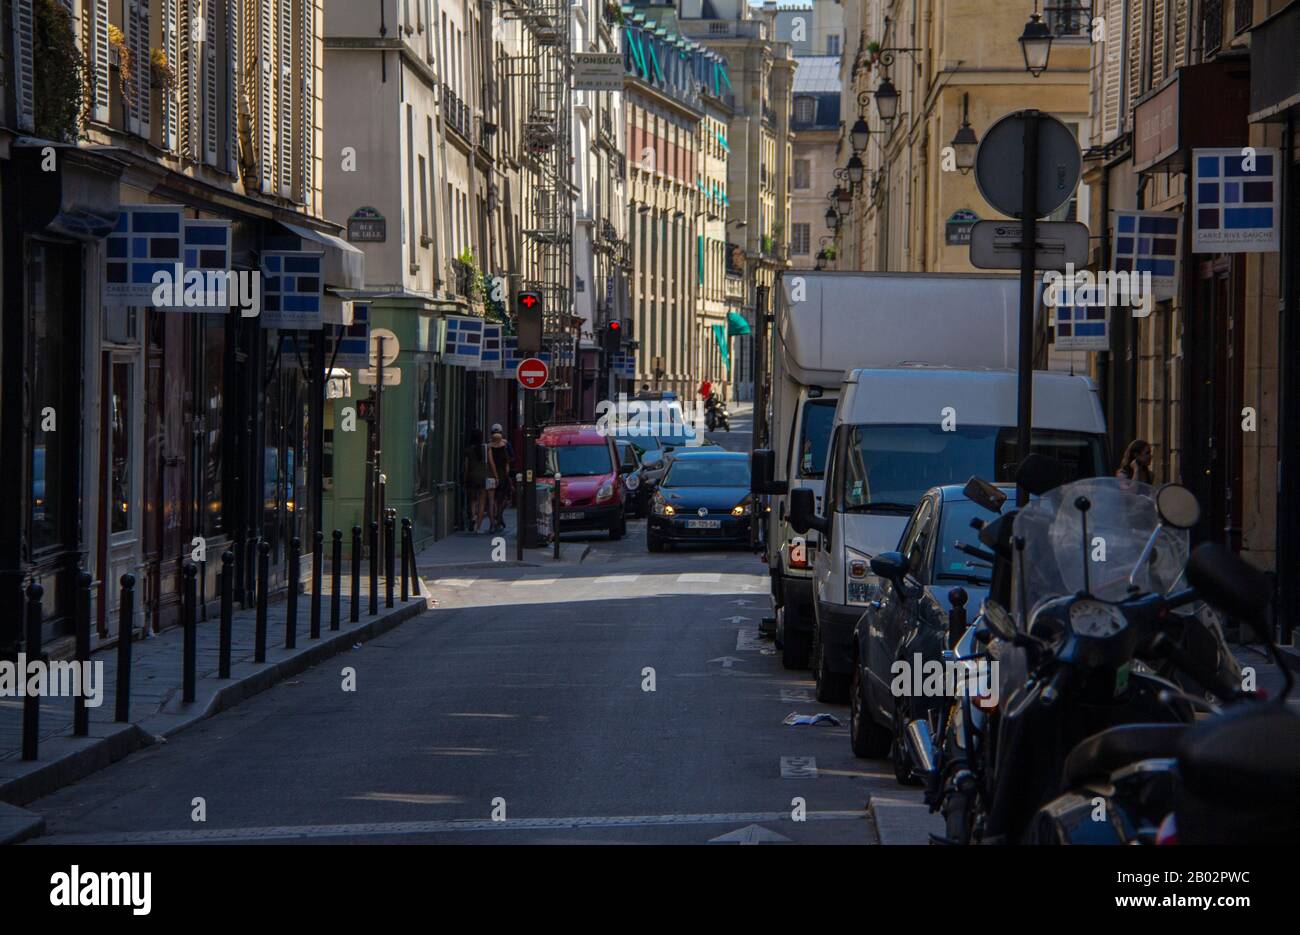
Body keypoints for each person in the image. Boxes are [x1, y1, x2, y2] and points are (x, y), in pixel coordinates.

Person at [463, 429, 493, 533]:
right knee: (482, 502)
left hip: (472, 476)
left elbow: (466, 467)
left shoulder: (468, 450)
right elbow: (490, 462)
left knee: (472, 500)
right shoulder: (486, 448)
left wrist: (465, 478)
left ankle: (473, 517)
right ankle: (478, 528)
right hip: (482, 477)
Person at [489, 425, 513, 532]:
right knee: (504, 498)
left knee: (492, 500)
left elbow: (490, 462)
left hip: (492, 475)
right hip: (502, 475)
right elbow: (510, 459)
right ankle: (498, 516)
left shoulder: (489, 446)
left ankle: (495, 519)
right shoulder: (506, 445)